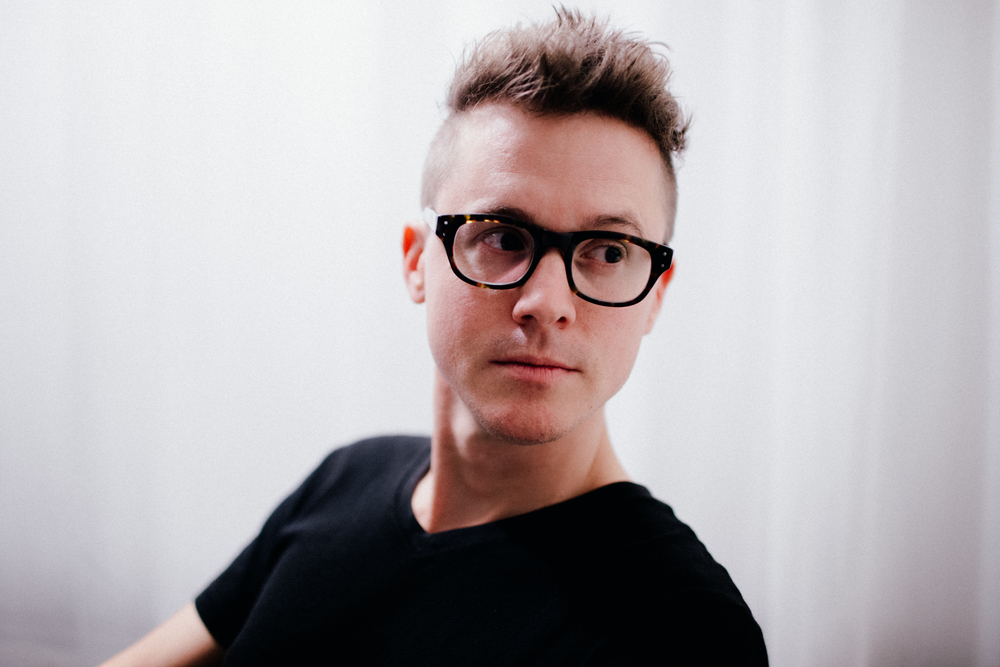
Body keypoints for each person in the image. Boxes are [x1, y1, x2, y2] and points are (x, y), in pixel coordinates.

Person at [101, 9, 767, 666]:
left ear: (656, 293)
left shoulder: (684, 630)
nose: (546, 303)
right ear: (418, 261)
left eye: (609, 251)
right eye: (502, 236)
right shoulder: (346, 478)